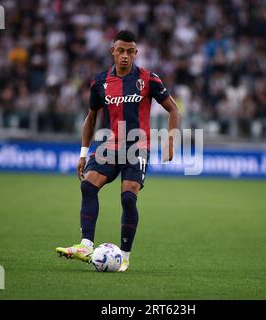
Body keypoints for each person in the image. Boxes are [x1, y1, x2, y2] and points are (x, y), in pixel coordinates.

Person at [56, 30, 180, 272]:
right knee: (88, 184)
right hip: (110, 146)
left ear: (136, 53)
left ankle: (123, 256)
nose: (125, 56)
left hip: (138, 146)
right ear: (113, 51)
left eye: (130, 51)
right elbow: (91, 118)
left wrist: (171, 141)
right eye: (120, 50)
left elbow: (173, 110)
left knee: (127, 197)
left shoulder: (148, 79)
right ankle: (85, 245)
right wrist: (83, 153)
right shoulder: (100, 82)